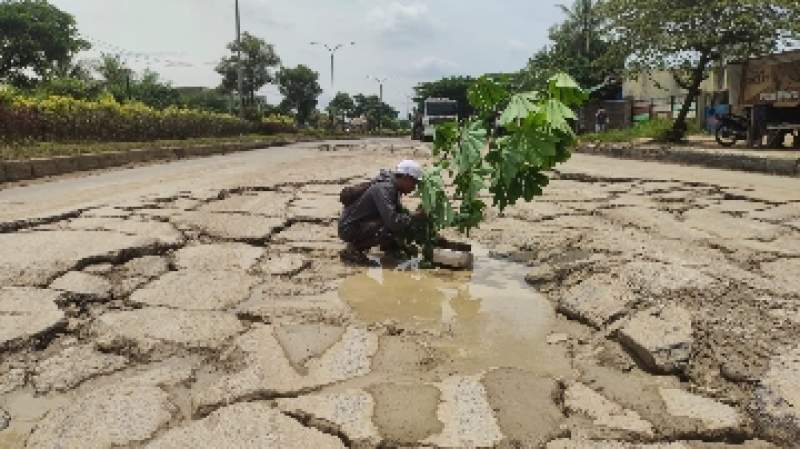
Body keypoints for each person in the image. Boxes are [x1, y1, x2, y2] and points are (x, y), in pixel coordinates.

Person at [338, 160, 426, 264]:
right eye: (414, 182)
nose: (414, 187)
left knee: (398, 220)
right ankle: (353, 249)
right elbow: (393, 221)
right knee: (390, 226)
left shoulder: (392, 187)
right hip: (349, 228)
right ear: (405, 177)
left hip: (360, 223)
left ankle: (388, 248)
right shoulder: (385, 189)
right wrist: (414, 216)